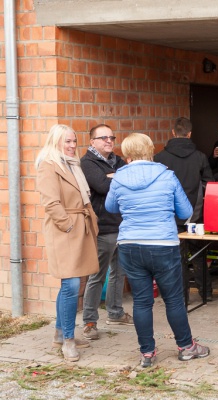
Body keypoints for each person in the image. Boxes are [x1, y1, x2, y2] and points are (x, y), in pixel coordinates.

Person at [105, 133, 210, 368]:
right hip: (163, 244)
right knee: (173, 300)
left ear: (126, 154)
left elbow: (110, 207)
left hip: (131, 245)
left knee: (142, 302)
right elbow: (185, 212)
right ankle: (186, 347)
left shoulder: (119, 177)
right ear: (151, 150)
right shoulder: (166, 175)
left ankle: (147, 354)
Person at [36, 124, 100, 362]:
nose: (73, 146)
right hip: (65, 230)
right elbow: (51, 203)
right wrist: (69, 225)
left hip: (79, 226)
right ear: (56, 142)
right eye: (67, 142)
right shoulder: (48, 166)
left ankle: (60, 333)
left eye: (74, 141)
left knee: (71, 284)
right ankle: (69, 341)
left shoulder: (72, 164)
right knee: (71, 285)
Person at [80, 124, 132, 341]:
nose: (109, 141)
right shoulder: (87, 162)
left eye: (112, 137)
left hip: (122, 225)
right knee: (97, 275)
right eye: (103, 138)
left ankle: (115, 312)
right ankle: (90, 321)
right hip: (103, 227)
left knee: (119, 272)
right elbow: (102, 186)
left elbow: (128, 181)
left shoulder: (118, 161)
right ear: (92, 142)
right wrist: (112, 178)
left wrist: (113, 176)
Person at [154, 117, 214, 302]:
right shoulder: (200, 156)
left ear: (173, 133)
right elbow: (209, 184)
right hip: (194, 215)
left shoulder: (159, 158)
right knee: (198, 254)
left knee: (176, 258)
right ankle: (206, 292)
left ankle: (181, 298)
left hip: (169, 215)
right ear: (189, 134)